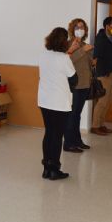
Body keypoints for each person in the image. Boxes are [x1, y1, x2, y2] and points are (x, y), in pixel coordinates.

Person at [38, 27, 78, 180]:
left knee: (49, 133)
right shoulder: (64, 58)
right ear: (64, 41)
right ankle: (54, 169)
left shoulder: (43, 55)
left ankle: (46, 169)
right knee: (57, 136)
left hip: (44, 100)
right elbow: (74, 79)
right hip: (59, 102)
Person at [91, 16, 112, 136]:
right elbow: (96, 56)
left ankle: (101, 124)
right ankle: (95, 126)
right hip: (104, 73)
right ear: (107, 26)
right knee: (102, 101)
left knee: (109, 100)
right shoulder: (101, 38)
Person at [63, 18, 93, 153]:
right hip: (74, 84)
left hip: (85, 83)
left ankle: (77, 141)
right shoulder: (68, 45)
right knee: (72, 114)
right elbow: (68, 60)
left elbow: (87, 63)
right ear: (72, 29)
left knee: (77, 114)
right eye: (77, 27)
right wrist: (83, 51)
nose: (80, 30)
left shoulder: (84, 44)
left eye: (82, 27)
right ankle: (68, 143)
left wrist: (93, 58)